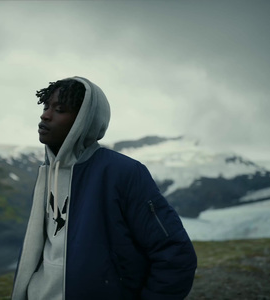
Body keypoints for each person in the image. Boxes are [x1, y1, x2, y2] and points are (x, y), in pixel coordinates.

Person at [11, 76, 197, 300]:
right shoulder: (47, 173)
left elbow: (175, 254)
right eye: (46, 106)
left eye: (60, 109)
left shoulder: (124, 173)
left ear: (84, 120)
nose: (45, 115)